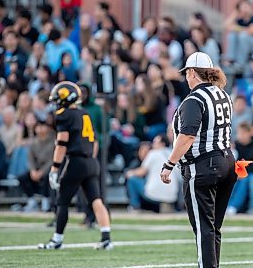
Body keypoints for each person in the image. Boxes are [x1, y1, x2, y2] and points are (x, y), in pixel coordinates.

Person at [159, 52, 237, 268]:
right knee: (213, 226)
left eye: (187, 74)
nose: (186, 78)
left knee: (204, 226)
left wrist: (169, 164)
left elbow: (187, 136)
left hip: (203, 166)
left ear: (192, 72)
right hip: (227, 162)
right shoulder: (222, 94)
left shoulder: (195, 100)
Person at [38, 81, 112, 250]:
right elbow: (93, 142)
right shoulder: (84, 113)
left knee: (62, 201)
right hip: (91, 161)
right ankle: (106, 238)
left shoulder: (64, 114)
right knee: (96, 200)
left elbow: (62, 143)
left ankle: (57, 239)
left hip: (76, 161)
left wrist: (55, 168)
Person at [126, 134, 179, 212]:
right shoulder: (172, 153)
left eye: (155, 142)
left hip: (154, 194)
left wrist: (129, 172)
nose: (152, 144)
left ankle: (135, 207)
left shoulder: (153, 153)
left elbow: (142, 172)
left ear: (162, 144)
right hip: (172, 196)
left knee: (132, 179)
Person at [19, 117, 55, 212]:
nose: (40, 129)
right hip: (37, 169)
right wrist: (33, 170)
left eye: (43, 126)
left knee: (48, 176)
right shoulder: (34, 142)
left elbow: (52, 160)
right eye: (38, 127)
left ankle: (46, 200)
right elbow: (30, 158)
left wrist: (41, 172)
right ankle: (32, 201)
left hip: (49, 169)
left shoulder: (53, 141)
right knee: (22, 177)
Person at [224, 0, 253, 74]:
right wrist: (236, 12)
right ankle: (231, 60)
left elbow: (251, 31)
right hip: (243, 47)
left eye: (246, 6)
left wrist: (236, 28)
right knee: (232, 34)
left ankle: (240, 64)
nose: (244, 8)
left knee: (243, 35)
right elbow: (226, 25)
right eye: (242, 6)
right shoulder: (240, 20)